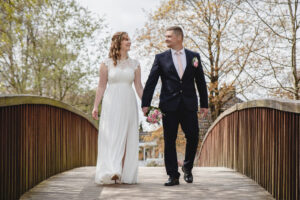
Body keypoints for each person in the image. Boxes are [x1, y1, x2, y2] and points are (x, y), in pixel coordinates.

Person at [142, 26, 208, 186]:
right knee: (169, 140)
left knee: (193, 136)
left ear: (179, 37)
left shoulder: (194, 57)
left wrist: (204, 104)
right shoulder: (160, 58)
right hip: (168, 105)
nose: (166, 39)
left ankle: (187, 167)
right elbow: (151, 81)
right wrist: (145, 103)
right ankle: (173, 175)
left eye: (169, 36)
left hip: (189, 104)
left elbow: (200, 82)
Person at [92, 32, 143, 184]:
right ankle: (112, 170)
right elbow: (101, 86)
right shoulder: (106, 63)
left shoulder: (135, 64)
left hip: (128, 102)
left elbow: (139, 87)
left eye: (129, 39)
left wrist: (148, 105)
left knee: (127, 136)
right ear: (118, 43)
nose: (129, 41)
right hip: (111, 102)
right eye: (126, 39)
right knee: (112, 135)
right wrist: (95, 106)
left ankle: (121, 171)